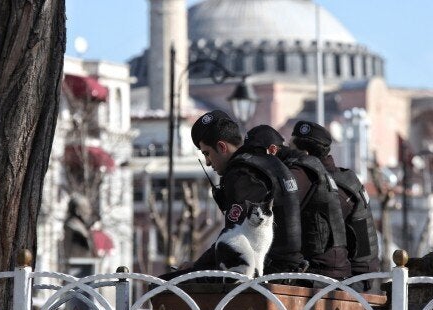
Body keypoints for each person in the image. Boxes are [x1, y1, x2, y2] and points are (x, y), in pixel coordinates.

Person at [161, 110, 302, 280]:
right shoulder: (266, 164)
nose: (207, 162)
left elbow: (234, 238)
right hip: (285, 267)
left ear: (221, 147)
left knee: (166, 284)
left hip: (267, 273)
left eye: (207, 153)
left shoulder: (241, 174)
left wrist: (198, 265)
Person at [245, 125, 351, 285]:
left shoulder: (300, 170)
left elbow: (274, 208)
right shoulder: (310, 167)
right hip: (329, 270)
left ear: (272, 151)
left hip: (319, 274)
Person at [291, 120, 380, 292]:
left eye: (290, 149)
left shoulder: (315, 184)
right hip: (357, 280)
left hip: (326, 285)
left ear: (305, 154)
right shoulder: (349, 181)